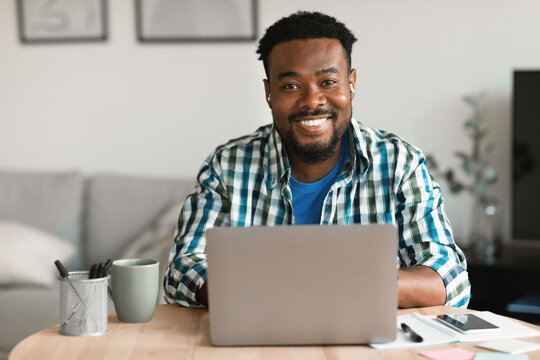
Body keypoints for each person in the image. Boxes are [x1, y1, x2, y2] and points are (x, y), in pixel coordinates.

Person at [164, 11, 471, 309]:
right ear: (269, 92)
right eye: (291, 86)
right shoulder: (227, 166)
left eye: (328, 82)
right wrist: (283, 290)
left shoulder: (399, 163)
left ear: (351, 83)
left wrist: (359, 286)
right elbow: (183, 269)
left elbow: (449, 278)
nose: (312, 101)